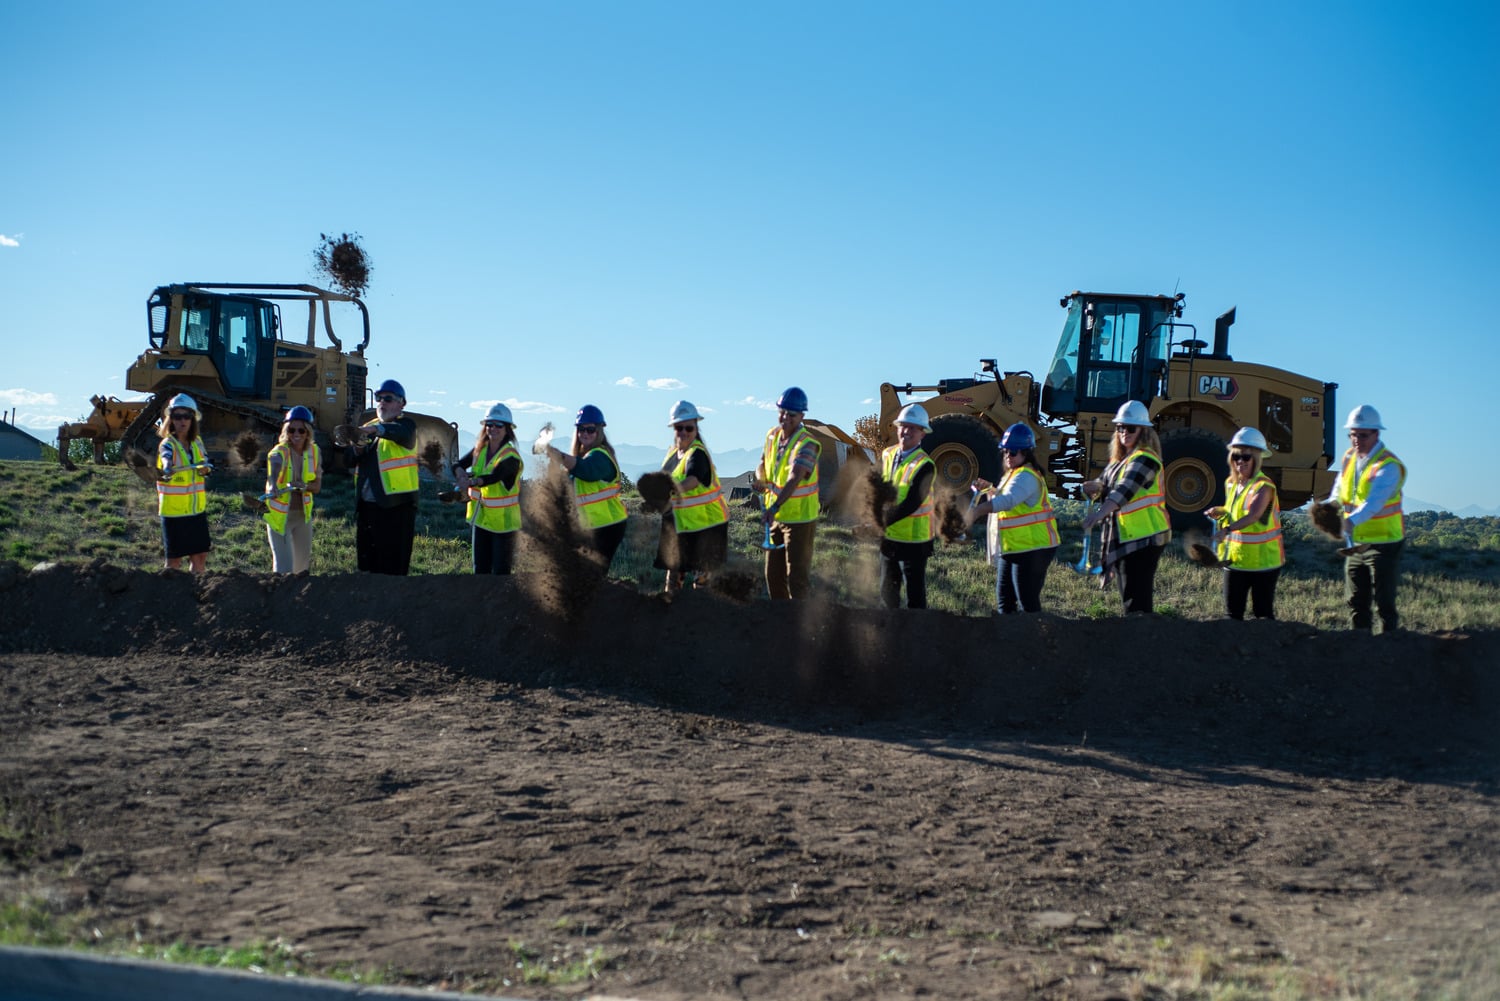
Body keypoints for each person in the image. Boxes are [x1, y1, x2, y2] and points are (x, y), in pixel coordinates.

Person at [1081, 400, 1170, 614]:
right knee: (1129, 596)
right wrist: (1093, 487)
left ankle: (1142, 639)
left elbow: (1123, 491)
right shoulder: (1119, 462)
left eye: (1130, 428)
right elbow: (1107, 485)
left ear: (1144, 431)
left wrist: (1099, 514)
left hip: (1146, 537)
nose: (1124, 432)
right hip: (1128, 536)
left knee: (1136, 598)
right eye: (1120, 427)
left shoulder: (1145, 459)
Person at [1324, 404, 1406, 633]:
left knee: (1384, 602)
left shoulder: (1389, 467)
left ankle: (1389, 646)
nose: (1357, 439)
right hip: (1357, 542)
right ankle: (1360, 646)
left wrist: (1348, 522)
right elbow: (1340, 490)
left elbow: (1373, 504)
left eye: (1363, 435)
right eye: (1353, 434)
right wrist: (1328, 507)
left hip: (1384, 544)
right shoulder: (1350, 457)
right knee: (1356, 601)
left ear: (1376, 434)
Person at [966, 423, 1059, 614]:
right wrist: (990, 489)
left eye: (1014, 451)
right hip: (1015, 547)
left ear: (1026, 453)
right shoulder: (1013, 474)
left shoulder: (1027, 477)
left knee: (1027, 602)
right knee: (1005, 601)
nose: (1008, 455)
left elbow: (1009, 501)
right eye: (1005, 451)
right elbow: (1005, 496)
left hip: (1033, 549)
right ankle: (1009, 641)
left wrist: (977, 511)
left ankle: (1035, 639)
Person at [1203, 427, 1283, 619]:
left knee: (1262, 615)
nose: (1240, 461)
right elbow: (1233, 512)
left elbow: (1254, 516)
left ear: (1257, 458)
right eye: (1236, 456)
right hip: (1236, 559)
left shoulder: (1264, 486)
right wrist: (1220, 511)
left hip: (1264, 561)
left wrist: (1227, 530)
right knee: (1232, 614)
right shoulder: (1231, 483)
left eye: (1246, 457)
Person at [752, 387, 821, 600]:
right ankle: (781, 623)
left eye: (791, 414)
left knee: (796, 578)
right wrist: (760, 478)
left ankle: (801, 626)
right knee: (773, 576)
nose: (785, 417)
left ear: (802, 416)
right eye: (782, 412)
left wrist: (774, 506)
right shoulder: (772, 436)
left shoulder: (807, 444)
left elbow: (795, 477)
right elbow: (763, 463)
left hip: (800, 519)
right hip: (777, 518)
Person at [345, 378, 419, 575]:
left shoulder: (406, 425)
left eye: (388, 398)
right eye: (379, 398)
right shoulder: (368, 426)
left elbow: (401, 434)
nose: (382, 403)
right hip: (367, 506)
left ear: (401, 403)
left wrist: (375, 430)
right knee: (367, 565)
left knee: (393, 566)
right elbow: (349, 460)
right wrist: (357, 446)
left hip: (397, 507)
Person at [655, 401, 730, 592]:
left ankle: (704, 618)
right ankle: (670, 613)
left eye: (689, 427)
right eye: (680, 428)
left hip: (706, 526)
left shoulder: (698, 454)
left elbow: (693, 480)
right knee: (674, 577)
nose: (684, 432)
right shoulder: (673, 454)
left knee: (702, 583)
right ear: (674, 429)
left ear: (696, 428)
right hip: (683, 525)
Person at [545, 404, 628, 568]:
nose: (585, 433)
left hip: (608, 526)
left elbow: (587, 471)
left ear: (599, 431)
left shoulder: (601, 456)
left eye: (590, 429)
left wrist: (559, 456)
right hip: (589, 526)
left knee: (592, 574)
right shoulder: (580, 457)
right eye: (581, 429)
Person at [454, 403, 523, 574]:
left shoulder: (511, 457)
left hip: (503, 525)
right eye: (489, 424)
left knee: (500, 573)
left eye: (498, 425)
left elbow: (494, 477)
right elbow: (458, 463)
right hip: (481, 520)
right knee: (480, 570)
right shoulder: (479, 450)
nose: (493, 428)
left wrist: (470, 482)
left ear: (507, 429)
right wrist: (460, 473)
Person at [878, 404, 936, 609]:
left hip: (914, 541)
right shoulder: (887, 455)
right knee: (887, 593)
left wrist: (880, 522)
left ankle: (916, 638)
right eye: (903, 426)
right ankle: (892, 634)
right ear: (897, 428)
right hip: (890, 538)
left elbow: (912, 503)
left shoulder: (925, 465)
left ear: (922, 433)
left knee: (915, 598)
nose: (906, 431)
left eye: (913, 428)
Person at [262, 405, 323, 575]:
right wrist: (273, 484)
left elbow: (317, 487)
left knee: (301, 570)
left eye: (301, 431)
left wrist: (304, 486)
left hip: (302, 517)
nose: (296, 434)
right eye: (291, 430)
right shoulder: (279, 452)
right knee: (284, 569)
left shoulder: (315, 452)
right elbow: (274, 465)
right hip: (280, 517)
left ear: (308, 432)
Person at [156, 393, 211, 573]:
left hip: (196, 510)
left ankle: (196, 594)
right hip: (174, 513)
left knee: (200, 557)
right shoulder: (167, 444)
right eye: (177, 416)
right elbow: (165, 459)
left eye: (187, 416)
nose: (182, 421)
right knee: (174, 562)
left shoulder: (197, 442)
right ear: (170, 419)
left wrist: (205, 469)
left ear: (193, 419)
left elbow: (205, 464)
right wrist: (167, 467)